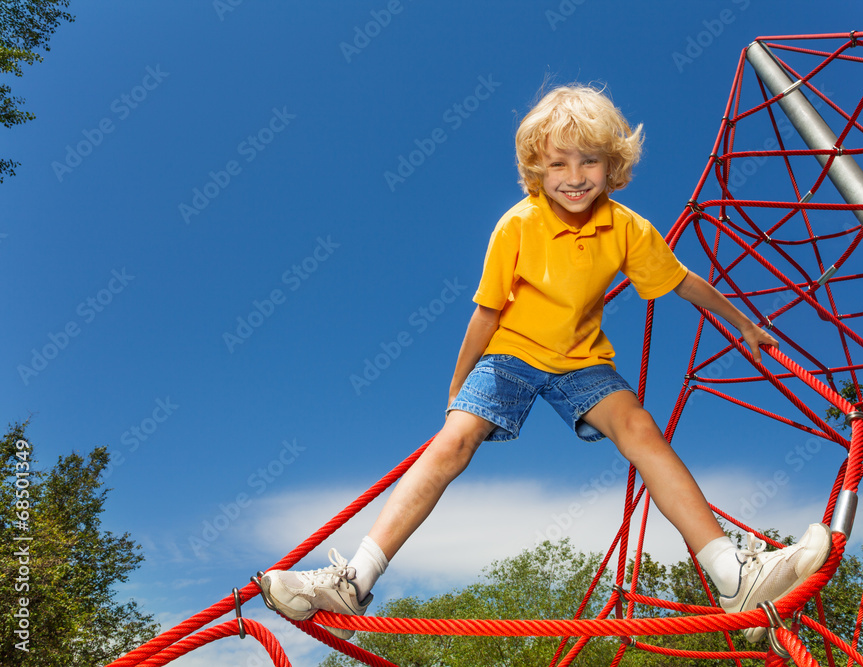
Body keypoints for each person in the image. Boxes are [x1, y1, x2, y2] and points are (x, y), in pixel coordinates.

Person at [259, 84, 832, 643]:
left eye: (590, 161)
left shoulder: (628, 228)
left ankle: (732, 575)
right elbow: (485, 316)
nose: (576, 176)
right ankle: (352, 579)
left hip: (582, 359)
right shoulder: (517, 225)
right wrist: (459, 392)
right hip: (511, 352)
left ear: (614, 165)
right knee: (453, 442)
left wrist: (743, 323)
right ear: (537, 168)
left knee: (639, 428)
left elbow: (682, 282)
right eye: (559, 163)